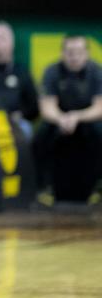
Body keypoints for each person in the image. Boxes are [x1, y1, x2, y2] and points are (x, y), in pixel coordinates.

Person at [33, 35, 102, 205]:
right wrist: (62, 119)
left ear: (87, 53)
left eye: (79, 52)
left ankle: (97, 187)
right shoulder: (52, 71)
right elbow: (47, 107)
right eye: (70, 52)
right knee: (39, 138)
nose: (74, 56)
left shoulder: (96, 72)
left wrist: (77, 117)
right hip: (59, 119)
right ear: (63, 53)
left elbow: (99, 107)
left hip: (88, 119)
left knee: (99, 133)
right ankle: (44, 187)